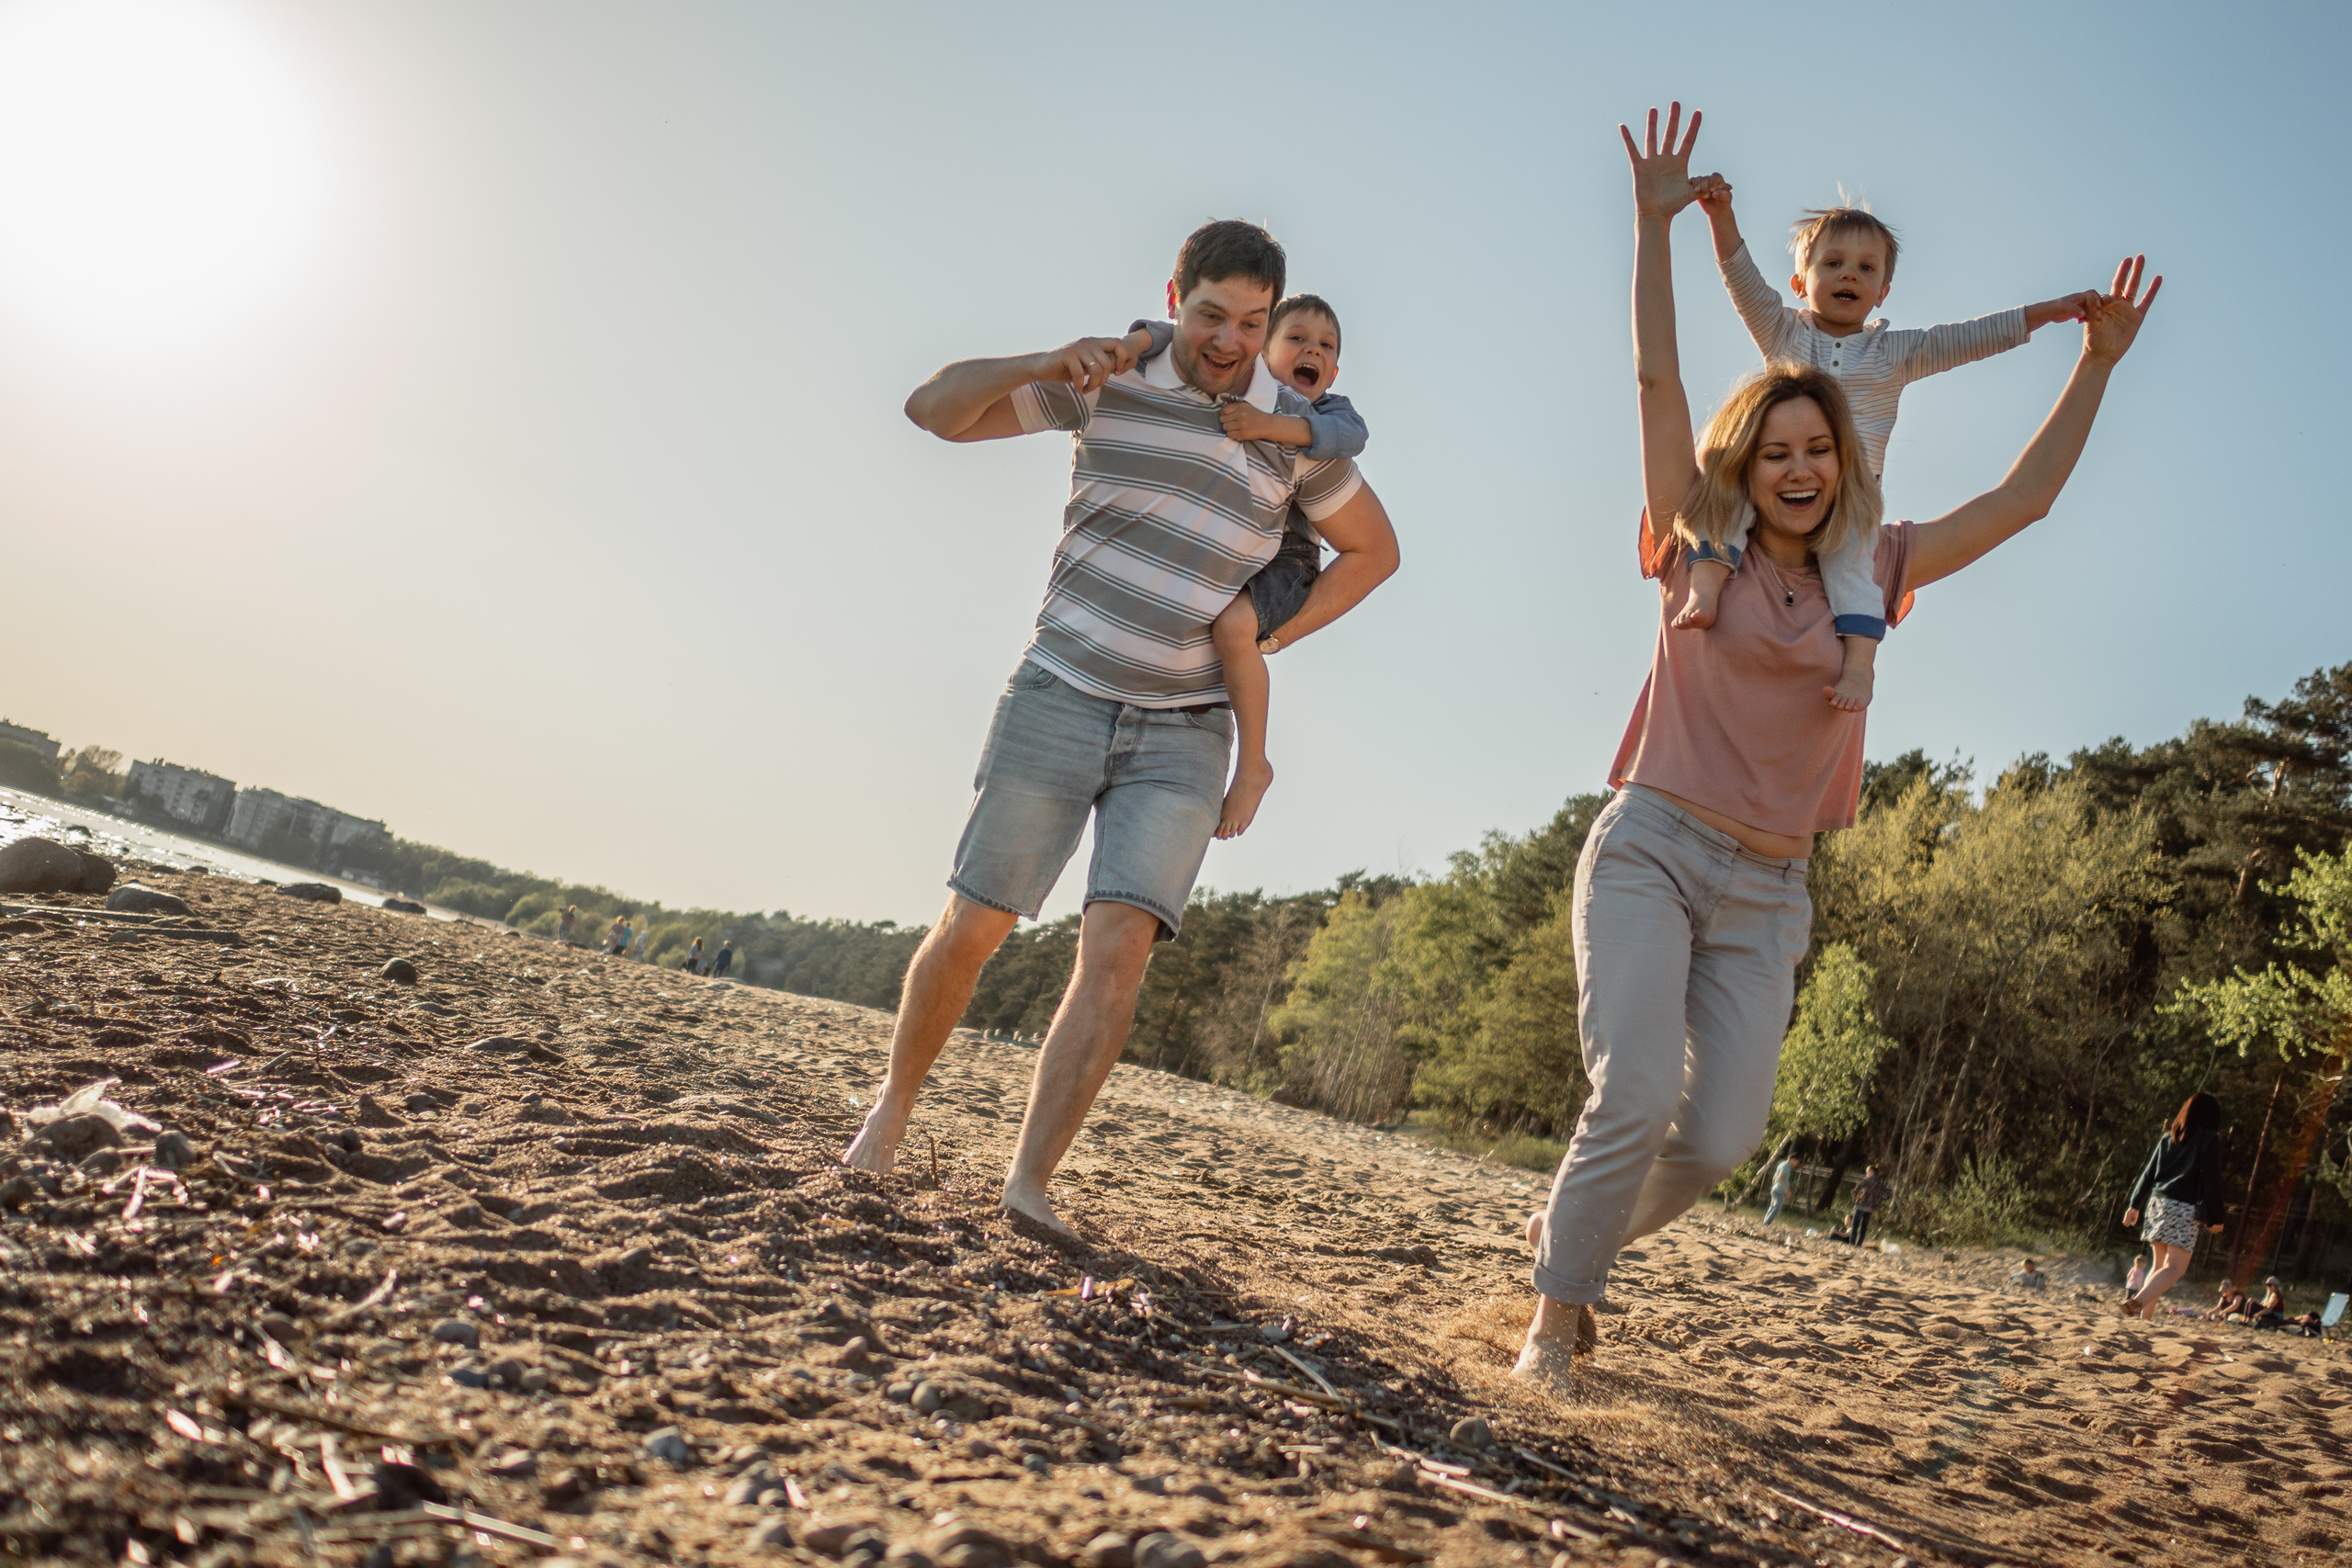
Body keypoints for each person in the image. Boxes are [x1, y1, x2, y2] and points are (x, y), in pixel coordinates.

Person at [1513, 103, 2157, 1386]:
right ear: (1745, 465)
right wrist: (1654, 232)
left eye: (1819, 449)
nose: (1799, 467)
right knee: (1631, 1092)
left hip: (1770, 886)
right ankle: (1553, 1318)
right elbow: (1657, 382)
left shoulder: (1884, 566)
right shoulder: (1692, 542)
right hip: (1651, 845)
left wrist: (2097, 363)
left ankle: (1564, 1248)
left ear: (1844, 465)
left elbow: (2024, 502)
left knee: (1717, 1137)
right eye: (1777, 451)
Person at [844, 219, 1400, 1234]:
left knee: (1119, 950)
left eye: (1253, 321)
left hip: (1185, 731)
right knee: (977, 924)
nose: (1232, 341)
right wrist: (1044, 361)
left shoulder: (1291, 426)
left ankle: (1027, 1184)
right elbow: (935, 411)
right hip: (1061, 689)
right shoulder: (1114, 375)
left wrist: (1268, 636)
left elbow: (1373, 551)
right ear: (1173, 295)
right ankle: (892, 1111)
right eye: (1212, 316)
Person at [1676, 184, 2102, 712]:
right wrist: (1721, 215)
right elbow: (1741, 280)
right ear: (1800, 282)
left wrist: (2049, 312)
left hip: (1851, 496)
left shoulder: (1894, 352)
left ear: (1883, 291)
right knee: (1725, 500)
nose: (1849, 274)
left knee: (1855, 574)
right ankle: (1706, 588)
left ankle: (1859, 668)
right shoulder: (1782, 332)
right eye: (1832, 263)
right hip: (1775, 480)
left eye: (1866, 268)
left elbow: (1971, 336)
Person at [1125, 297, 1365, 838]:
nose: (1313, 351)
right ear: (1261, 350)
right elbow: (1170, 338)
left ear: (1334, 371)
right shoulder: (1233, 378)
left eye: (1326, 346)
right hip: (1225, 542)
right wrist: (1133, 343)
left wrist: (1268, 426)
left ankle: (1254, 764)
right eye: (1297, 338)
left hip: (1286, 555)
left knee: (1234, 628)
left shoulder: (1326, 413)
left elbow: (1353, 437)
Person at [2120, 1091, 2227, 1319]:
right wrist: (2218, 1217)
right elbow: (2212, 1180)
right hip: (2183, 1208)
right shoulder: (2209, 1139)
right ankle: (2137, 1302)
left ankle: (2144, 1320)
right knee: (2176, 1268)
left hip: (2157, 1204)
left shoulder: (2169, 1137)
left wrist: (2134, 1204)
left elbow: (2148, 1173)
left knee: (2159, 1267)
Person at [1849, 1165, 1890, 1247]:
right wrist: (1879, 1200)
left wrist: (1857, 1196)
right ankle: (1859, 1244)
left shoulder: (1867, 1180)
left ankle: (1852, 1243)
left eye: (1867, 1172)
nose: (1866, 1174)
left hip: (1861, 1205)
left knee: (1855, 1225)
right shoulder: (1880, 1183)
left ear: (1871, 1172)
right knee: (1863, 1227)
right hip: (1871, 1208)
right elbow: (1888, 1194)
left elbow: (1856, 1189)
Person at [1762, 1151, 1797, 1225]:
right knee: (1777, 1208)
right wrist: (1787, 1190)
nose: (1796, 1164)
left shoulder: (1782, 1164)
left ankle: (1765, 1222)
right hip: (1780, 1191)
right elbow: (1780, 1177)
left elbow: (1775, 1176)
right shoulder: (1787, 1167)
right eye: (1796, 1162)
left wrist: (1775, 1185)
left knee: (1772, 1206)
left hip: (1775, 1189)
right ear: (1792, 1160)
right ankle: (1767, 1223)